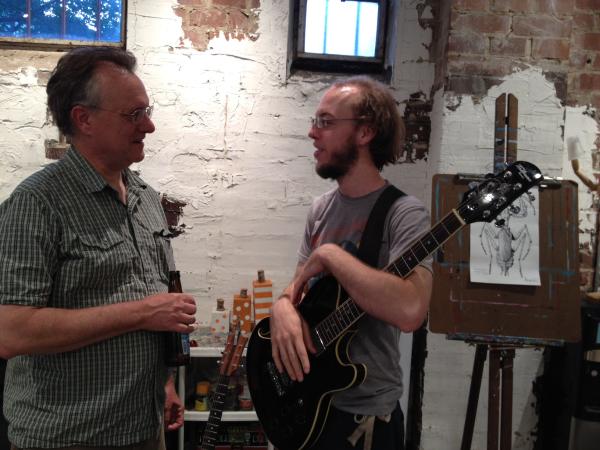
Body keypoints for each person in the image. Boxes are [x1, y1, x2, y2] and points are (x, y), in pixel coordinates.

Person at [0, 47, 197, 450]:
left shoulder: (147, 200)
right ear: (83, 118)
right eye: (134, 115)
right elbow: (11, 331)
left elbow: (153, 296)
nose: (150, 125)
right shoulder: (37, 203)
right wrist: (143, 313)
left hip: (144, 429)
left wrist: (163, 384)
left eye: (147, 110)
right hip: (66, 439)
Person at [270, 76, 433, 450]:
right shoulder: (320, 209)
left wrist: (329, 255)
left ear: (365, 132)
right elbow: (298, 285)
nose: (312, 133)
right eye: (315, 121)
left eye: (325, 122)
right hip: (309, 403)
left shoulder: (404, 214)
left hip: (367, 420)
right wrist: (281, 307)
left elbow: (410, 311)